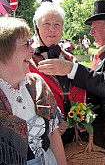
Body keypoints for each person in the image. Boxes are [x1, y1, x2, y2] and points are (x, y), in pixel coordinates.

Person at [37, 0, 105, 165]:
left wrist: (71, 69)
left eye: (94, 26)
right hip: (88, 141)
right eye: (46, 24)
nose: (90, 32)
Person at [0, 17, 67, 165]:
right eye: (26, 44)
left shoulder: (36, 84)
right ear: (3, 50)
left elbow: (53, 134)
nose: (32, 50)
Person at [30, 1, 86, 146]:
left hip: (73, 136)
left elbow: (80, 92)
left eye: (57, 25)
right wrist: (52, 121)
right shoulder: (27, 61)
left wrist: (79, 119)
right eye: (46, 24)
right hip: (43, 137)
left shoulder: (70, 59)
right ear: (36, 29)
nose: (52, 29)